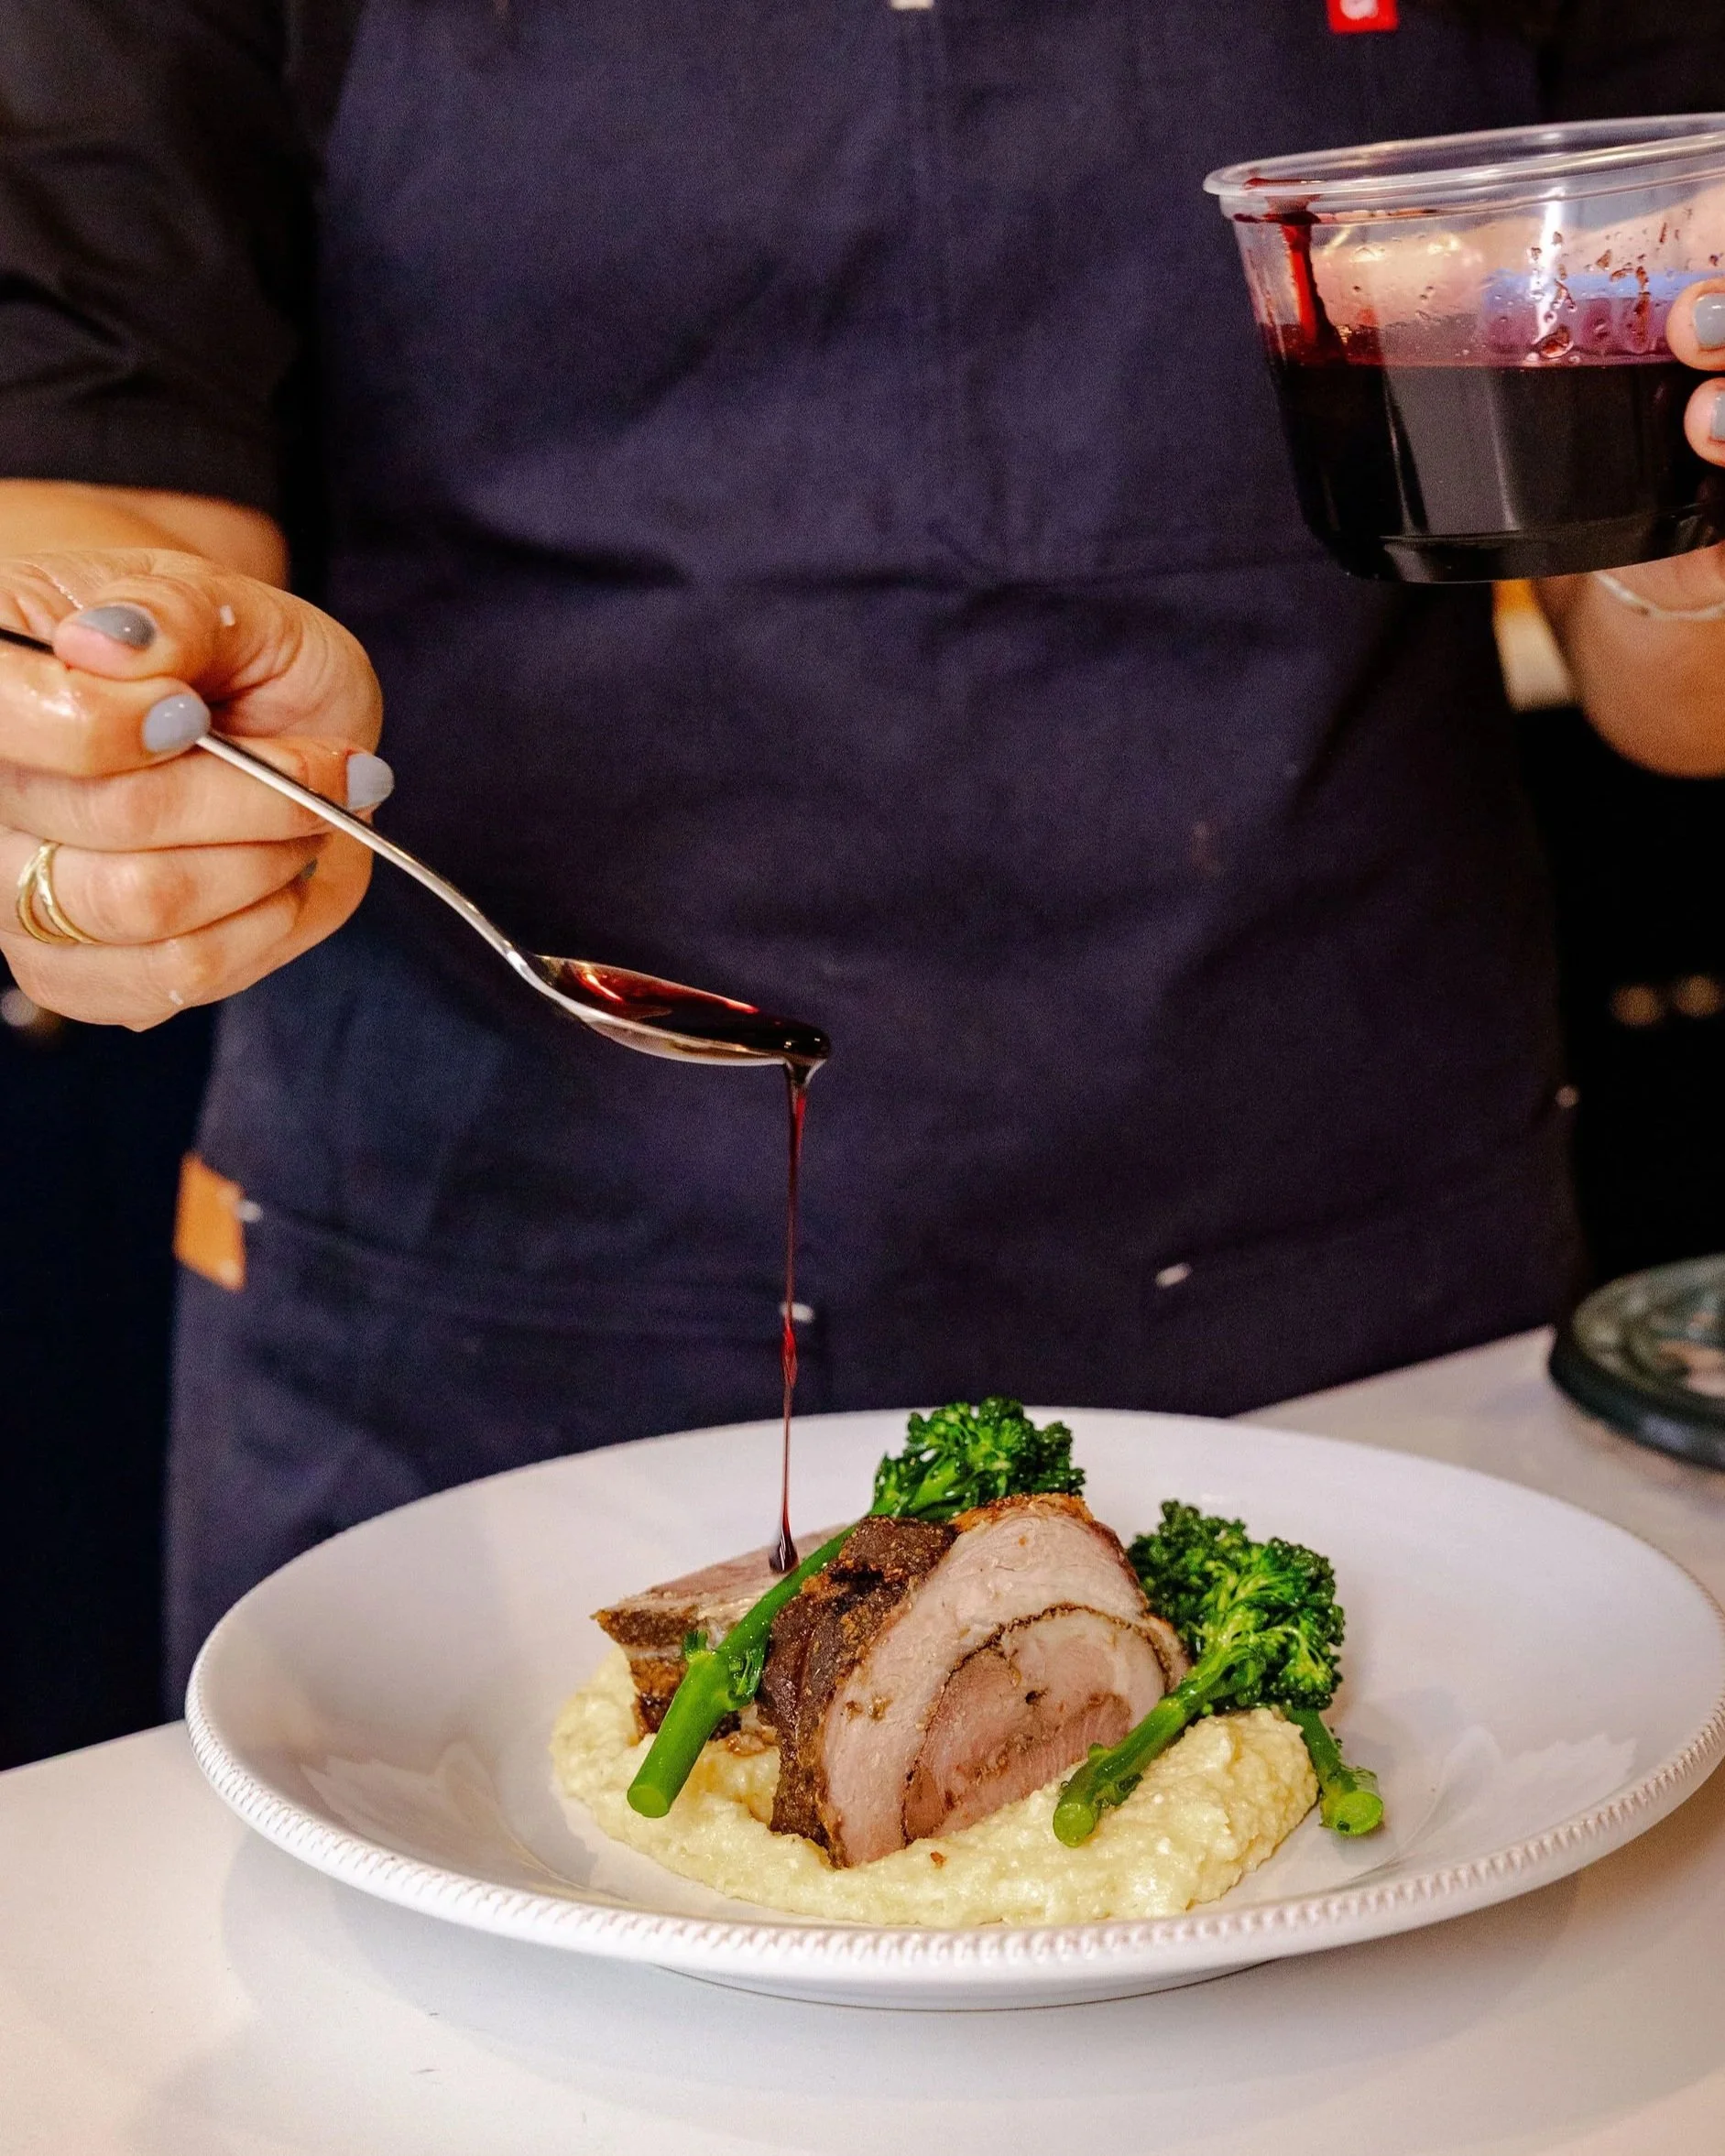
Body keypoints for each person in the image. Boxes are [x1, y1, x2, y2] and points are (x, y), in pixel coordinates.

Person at [2, 0, 1723, 1695]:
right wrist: (113, 717)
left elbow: (1671, 646)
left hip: (1354, 1294)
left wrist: (1696, 526)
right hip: (504, 1317)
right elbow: (98, 439)